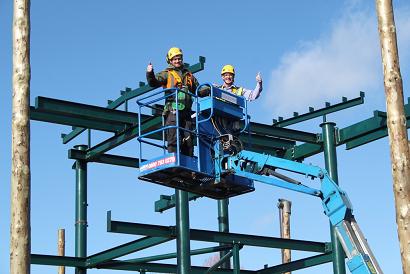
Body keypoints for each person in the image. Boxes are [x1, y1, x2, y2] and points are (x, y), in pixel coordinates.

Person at [146, 47, 199, 156]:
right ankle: (174, 163)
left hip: (186, 113)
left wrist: (210, 90)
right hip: (172, 111)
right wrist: (150, 73)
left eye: (179, 58)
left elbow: (199, 90)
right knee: (174, 138)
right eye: (174, 59)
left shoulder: (189, 76)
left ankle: (188, 165)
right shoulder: (167, 74)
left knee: (189, 140)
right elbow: (154, 82)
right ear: (170, 61)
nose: (177, 61)